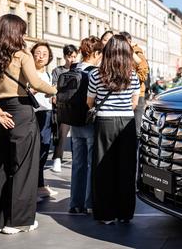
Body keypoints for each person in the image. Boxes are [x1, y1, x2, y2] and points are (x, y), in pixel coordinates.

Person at [0, 14, 57, 234]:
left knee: (1, 167)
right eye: (22, 30)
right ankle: (19, 221)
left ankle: (2, 221)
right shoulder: (22, 55)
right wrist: (55, 90)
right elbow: (36, 83)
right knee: (24, 168)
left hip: (1, 115)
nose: (24, 34)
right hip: (22, 113)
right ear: (15, 32)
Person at [88, 34, 140, 225]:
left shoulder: (95, 74)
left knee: (103, 167)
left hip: (104, 122)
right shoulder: (132, 75)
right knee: (126, 168)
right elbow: (134, 103)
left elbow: (90, 102)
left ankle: (105, 213)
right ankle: (124, 213)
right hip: (126, 122)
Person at [69, 36, 103, 215]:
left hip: (74, 121)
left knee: (78, 163)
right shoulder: (94, 72)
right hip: (90, 121)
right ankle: (90, 203)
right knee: (91, 163)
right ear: (96, 53)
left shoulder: (73, 68)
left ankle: (75, 203)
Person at [30, 42, 58, 200]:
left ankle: (40, 185)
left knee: (44, 150)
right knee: (35, 151)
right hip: (34, 113)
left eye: (44, 54)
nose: (41, 56)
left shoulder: (48, 74)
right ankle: (34, 187)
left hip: (46, 113)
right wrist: (35, 88)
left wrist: (52, 95)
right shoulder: (29, 73)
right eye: (37, 53)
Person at [50, 44, 78, 173]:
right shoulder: (58, 70)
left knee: (77, 136)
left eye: (74, 56)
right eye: (69, 56)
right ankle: (57, 158)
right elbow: (54, 86)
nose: (72, 59)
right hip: (63, 106)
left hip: (76, 106)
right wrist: (54, 96)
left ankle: (75, 158)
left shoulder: (78, 70)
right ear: (65, 56)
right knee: (62, 133)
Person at [120, 31, 149, 132]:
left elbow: (143, 74)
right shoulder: (122, 53)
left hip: (138, 94)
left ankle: (136, 147)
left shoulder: (137, 53)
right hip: (124, 93)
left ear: (129, 42)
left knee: (136, 128)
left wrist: (126, 77)